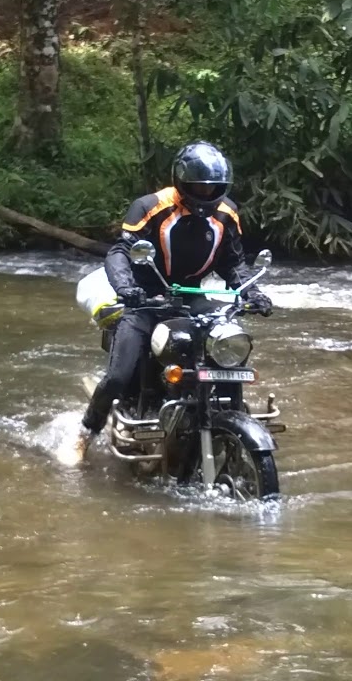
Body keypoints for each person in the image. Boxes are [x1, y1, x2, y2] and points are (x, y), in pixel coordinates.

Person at [72, 141, 273, 464]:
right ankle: (84, 434)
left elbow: (232, 262)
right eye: (199, 186)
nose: (206, 193)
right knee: (118, 376)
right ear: (181, 182)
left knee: (229, 347)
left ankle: (228, 416)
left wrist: (252, 292)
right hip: (146, 297)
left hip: (192, 297)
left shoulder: (227, 213)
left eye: (213, 187)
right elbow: (120, 252)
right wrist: (126, 288)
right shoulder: (151, 206)